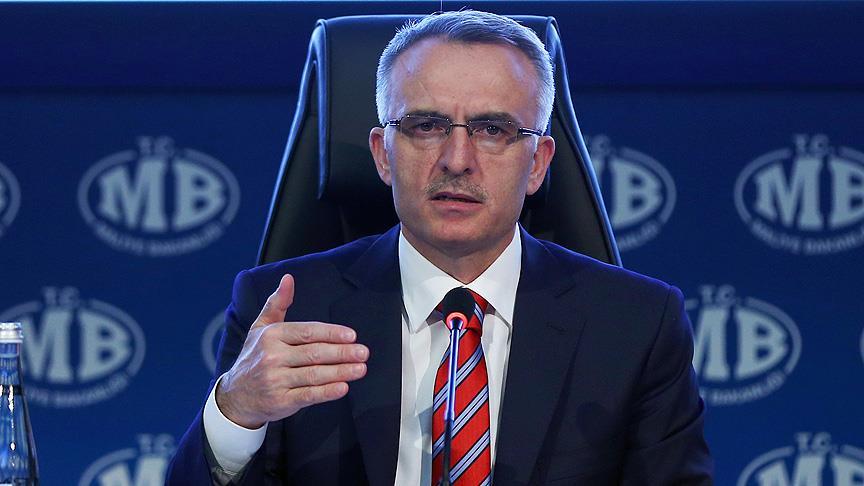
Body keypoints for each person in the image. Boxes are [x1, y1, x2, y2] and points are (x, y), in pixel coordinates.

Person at [168, 10, 712, 485]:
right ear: (383, 154)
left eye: (493, 129)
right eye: (426, 126)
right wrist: (236, 412)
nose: (457, 159)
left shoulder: (636, 325)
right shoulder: (287, 308)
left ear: (539, 165)